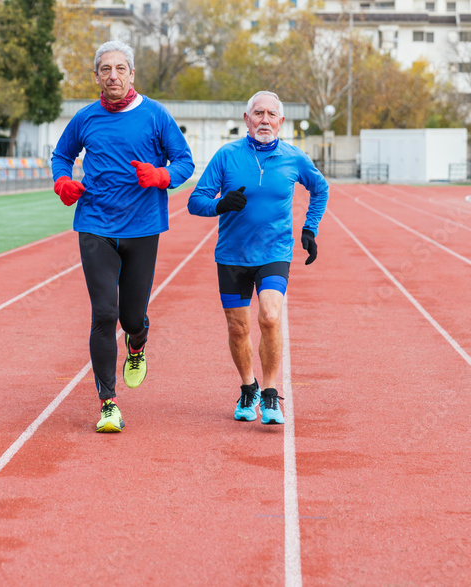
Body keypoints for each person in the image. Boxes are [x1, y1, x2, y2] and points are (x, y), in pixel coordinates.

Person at [52, 40, 195, 433]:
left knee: (131, 317)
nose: (112, 76)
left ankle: (137, 342)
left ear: (132, 74)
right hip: (95, 224)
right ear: (96, 76)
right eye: (105, 69)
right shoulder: (85, 118)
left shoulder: (155, 115)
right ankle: (108, 403)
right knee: (104, 313)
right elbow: (61, 155)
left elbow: (184, 161)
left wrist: (162, 176)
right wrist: (62, 180)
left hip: (143, 227)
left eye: (120, 69)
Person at [187, 91, 329, 425]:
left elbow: (321, 189)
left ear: (281, 121)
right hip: (232, 255)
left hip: (275, 253)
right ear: (246, 118)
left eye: (271, 114)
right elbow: (196, 201)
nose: (265, 119)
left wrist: (310, 228)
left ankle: (269, 393)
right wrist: (219, 205)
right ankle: (247, 387)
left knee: (268, 316)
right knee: (238, 328)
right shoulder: (226, 156)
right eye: (258, 113)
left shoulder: (294, 158)